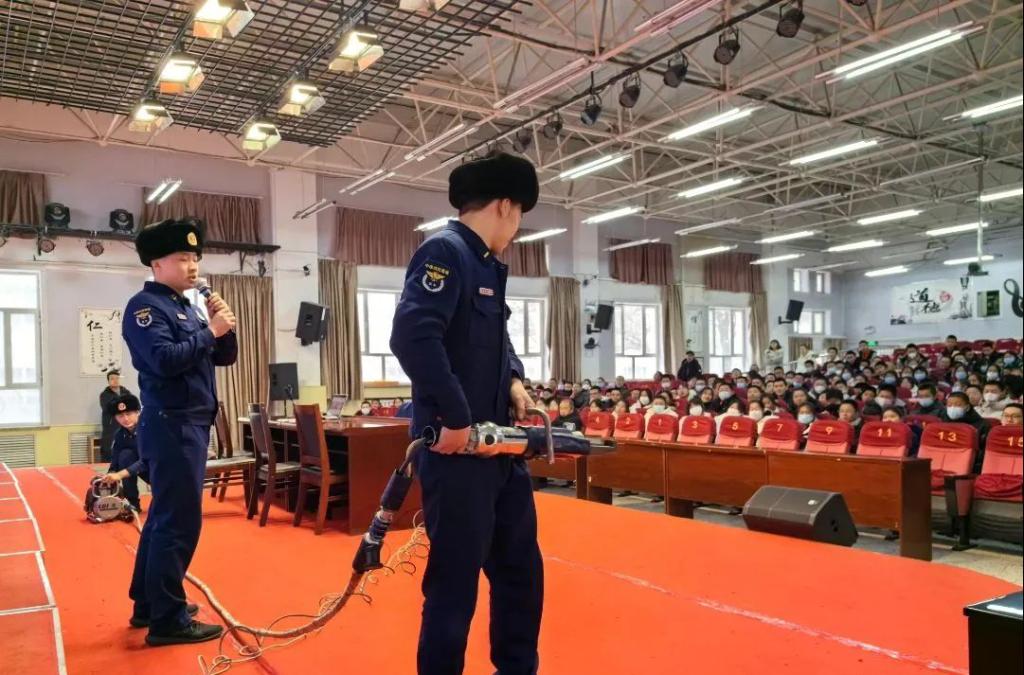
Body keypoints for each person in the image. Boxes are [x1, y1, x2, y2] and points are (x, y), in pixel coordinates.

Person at [388, 152, 542, 675]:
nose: (517, 229)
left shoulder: (487, 265)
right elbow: (413, 337)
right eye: (519, 216)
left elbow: (496, 340)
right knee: (454, 586)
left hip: (500, 449)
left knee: (521, 572)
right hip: (457, 455)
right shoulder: (445, 252)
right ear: (505, 206)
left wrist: (514, 379)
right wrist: (454, 418)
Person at [122, 217, 237, 646]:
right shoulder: (145, 308)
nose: (193, 266)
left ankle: (149, 604)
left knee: (161, 520)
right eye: (182, 258)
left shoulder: (186, 307)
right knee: (178, 522)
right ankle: (168, 620)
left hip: (188, 423)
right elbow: (164, 360)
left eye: (195, 257)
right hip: (173, 424)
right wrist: (210, 332)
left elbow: (222, 357)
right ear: (157, 264)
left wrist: (220, 326)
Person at [100, 393, 146, 512]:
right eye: (120, 415)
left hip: (166, 472)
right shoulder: (120, 434)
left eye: (129, 414)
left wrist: (120, 475)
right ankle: (132, 503)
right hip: (145, 469)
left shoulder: (149, 430)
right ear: (115, 418)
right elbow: (115, 459)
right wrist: (109, 476)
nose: (125, 419)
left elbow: (147, 460)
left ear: (138, 412)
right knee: (125, 456)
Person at [99, 370, 133, 463]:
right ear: (108, 381)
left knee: (127, 449)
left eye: (117, 378)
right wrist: (123, 405)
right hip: (111, 426)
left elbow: (132, 405)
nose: (115, 380)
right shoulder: (104, 395)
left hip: (126, 425)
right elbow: (108, 408)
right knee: (108, 449)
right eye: (112, 379)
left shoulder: (126, 392)